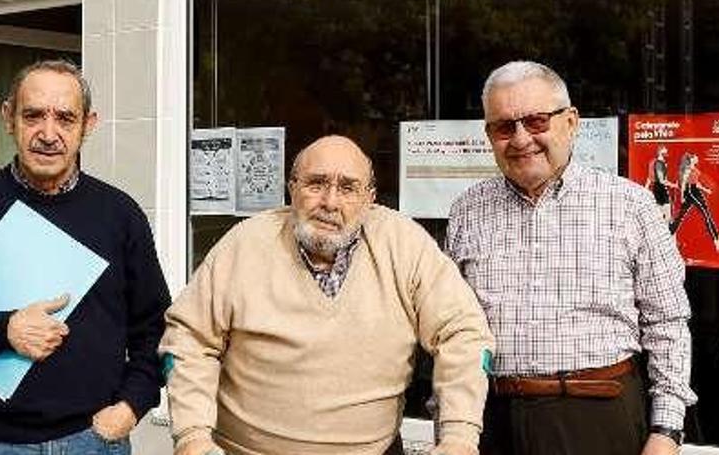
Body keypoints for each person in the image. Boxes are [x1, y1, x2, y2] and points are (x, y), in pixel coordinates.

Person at [0, 60, 171, 454]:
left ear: (88, 125)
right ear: (8, 117)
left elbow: (155, 330)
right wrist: (3, 329)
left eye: (64, 118)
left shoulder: (120, 215)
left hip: (93, 441)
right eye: (33, 115)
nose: (48, 133)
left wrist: (129, 409)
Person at [160, 135, 494, 455]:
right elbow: (188, 339)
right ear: (292, 189)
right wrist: (192, 436)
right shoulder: (244, 245)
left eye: (348, 188)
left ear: (370, 198)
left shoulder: (405, 245)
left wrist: (459, 436)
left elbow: (463, 333)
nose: (330, 202)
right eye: (316, 184)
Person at [446, 61, 696, 455]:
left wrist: (666, 431)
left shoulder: (630, 205)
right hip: (490, 421)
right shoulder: (466, 211)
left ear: (571, 122)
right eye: (504, 127)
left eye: (537, 121)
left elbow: (667, 323)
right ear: (489, 134)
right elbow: (451, 329)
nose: (521, 139)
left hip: (598, 415)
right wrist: (451, 427)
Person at [669, 152, 719, 252]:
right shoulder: (687, 169)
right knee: (706, 215)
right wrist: (682, 197)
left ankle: (668, 235)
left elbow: (696, 183)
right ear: (691, 159)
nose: (697, 158)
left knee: (680, 216)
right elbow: (684, 184)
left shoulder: (694, 169)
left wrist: (705, 189)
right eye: (695, 157)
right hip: (691, 192)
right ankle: (717, 244)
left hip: (694, 191)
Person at [644, 145, 677, 222]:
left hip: (657, 188)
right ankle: (666, 231)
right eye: (665, 150)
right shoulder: (659, 164)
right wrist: (673, 185)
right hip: (660, 188)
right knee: (666, 215)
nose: (667, 151)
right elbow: (661, 180)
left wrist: (645, 189)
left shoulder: (658, 163)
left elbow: (650, 177)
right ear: (660, 151)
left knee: (661, 213)